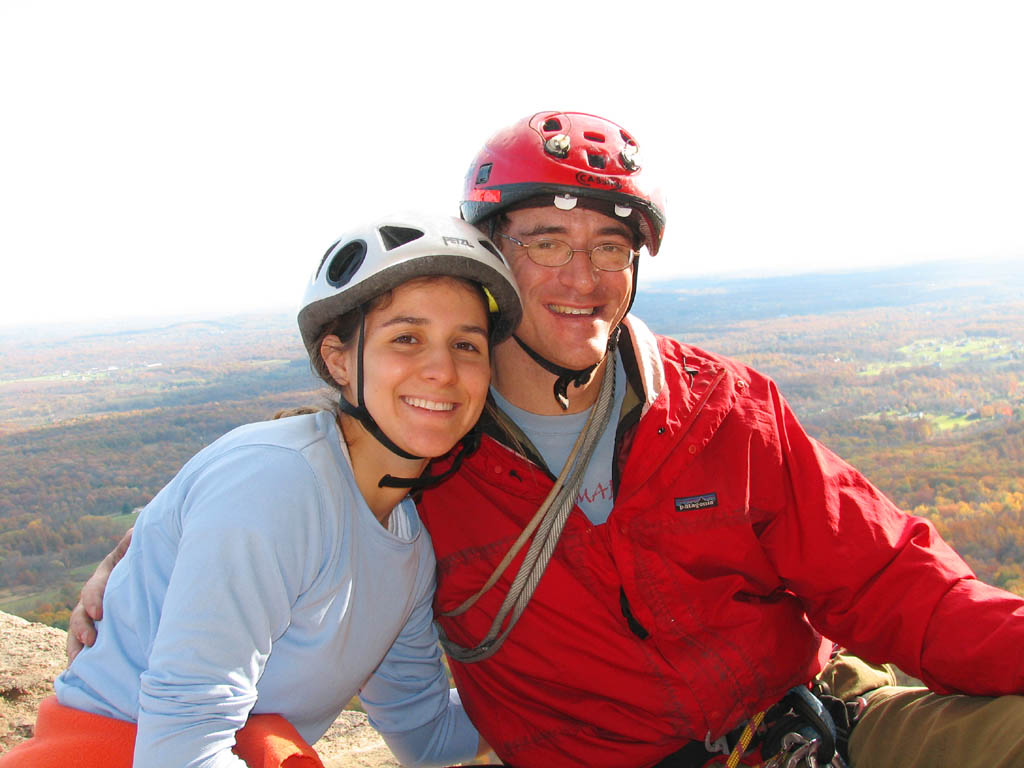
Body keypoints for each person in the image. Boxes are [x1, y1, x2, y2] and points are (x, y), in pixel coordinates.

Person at [70, 113, 1024, 768]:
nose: (584, 275)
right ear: (493, 254)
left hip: (813, 722)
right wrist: (142, 550)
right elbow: (297, 483)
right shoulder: (432, 451)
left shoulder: (722, 409)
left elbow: (889, 580)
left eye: (612, 245)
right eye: (546, 242)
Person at [7, 213, 521, 768]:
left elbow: (428, 734)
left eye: (466, 345)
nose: (442, 370)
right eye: (407, 338)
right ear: (339, 360)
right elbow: (182, 746)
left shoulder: (408, 544)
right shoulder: (278, 483)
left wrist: (586, 699)